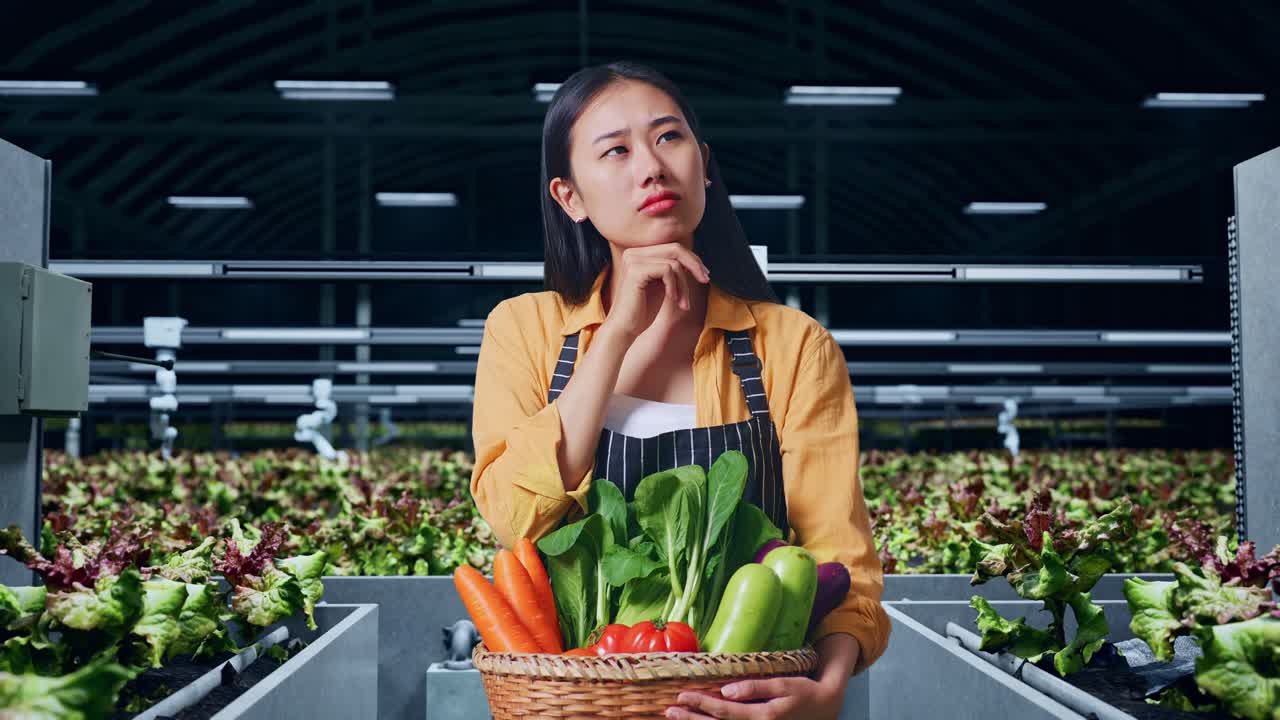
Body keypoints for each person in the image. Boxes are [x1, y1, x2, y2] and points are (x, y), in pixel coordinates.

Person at [470, 61, 889, 719]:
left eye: (670, 138)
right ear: (570, 197)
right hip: (574, 701)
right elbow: (514, 520)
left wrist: (827, 692)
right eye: (616, 150)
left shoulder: (792, 346)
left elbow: (841, 564)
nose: (652, 166)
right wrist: (616, 335)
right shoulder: (522, 330)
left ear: (704, 163)